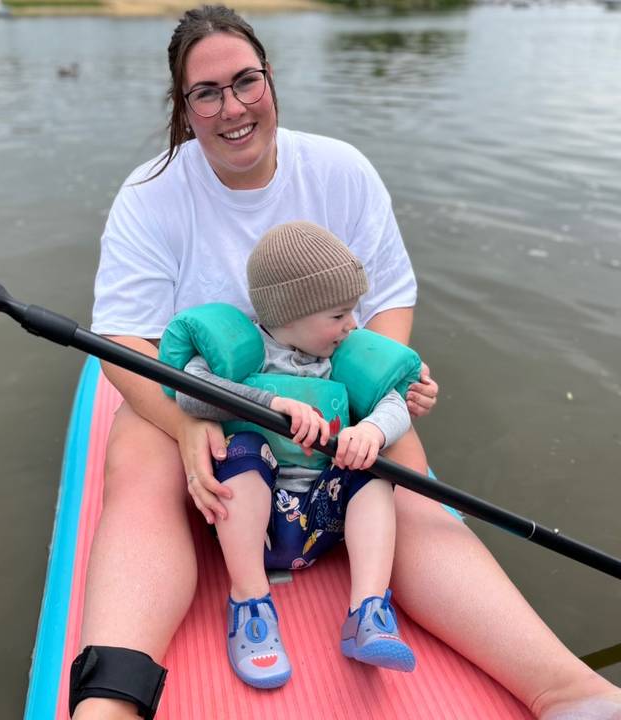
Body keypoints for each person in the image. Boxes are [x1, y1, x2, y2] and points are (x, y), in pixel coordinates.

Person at [74, 5, 620, 719]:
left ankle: (569, 690)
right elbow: (122, 339)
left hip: (326, 391)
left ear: (270, 78)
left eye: (245, 81)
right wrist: (184, 424)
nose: (232, 108)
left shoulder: (341, 171)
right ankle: (110, 702)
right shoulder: (151, 194)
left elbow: (388, 301)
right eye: (205, 93)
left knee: (407, 483)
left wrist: (370, 400)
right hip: (202, 393)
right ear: (183, 107)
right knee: (139, 472)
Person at [162, 221, 421, 688]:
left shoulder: (339, 355)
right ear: (290, 313)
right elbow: (190, 393)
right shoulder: (243, 353)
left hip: (322, 519)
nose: (352, 325)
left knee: (375, 472)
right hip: (253, 528)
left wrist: (372, 432)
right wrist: (270, 404)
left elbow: (395, 405)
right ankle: (249, 602)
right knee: (244, 448)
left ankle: (367, 611)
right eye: (339, 315)